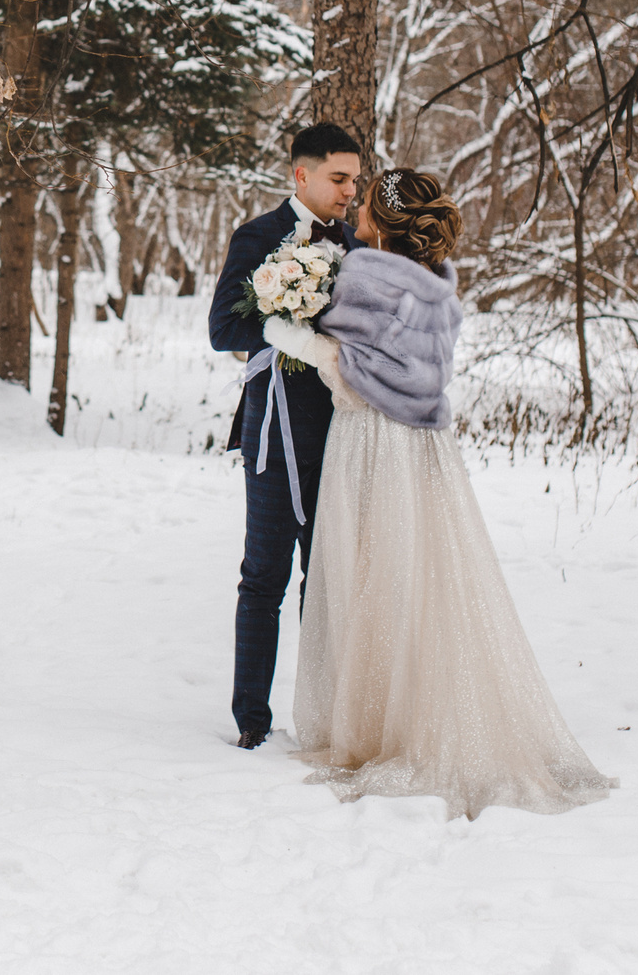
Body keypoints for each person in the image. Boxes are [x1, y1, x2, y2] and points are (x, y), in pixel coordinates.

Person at [263, 168, 614, 818]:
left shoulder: (367, 275)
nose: (357, 204)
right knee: (417, 578)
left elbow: (355, 371)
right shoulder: (439, 290)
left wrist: (291, 336)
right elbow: (411, 372)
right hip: (425, 449)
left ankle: (379, 729)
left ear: (385, 220)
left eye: (366, 199)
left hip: (370, 443)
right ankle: (406, 713)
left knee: (368, 574)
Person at [208, 122, 364, 750]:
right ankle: (251, 719)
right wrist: (285, 328)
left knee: (326, 579)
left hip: (344, 433)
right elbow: (223, 328)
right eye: (339, 178)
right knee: (264, 576)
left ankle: (322, 717)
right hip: (272, 433)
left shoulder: (357, 244)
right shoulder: (259, 237)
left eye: (355, 179)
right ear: (302, 176)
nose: (351, 191)